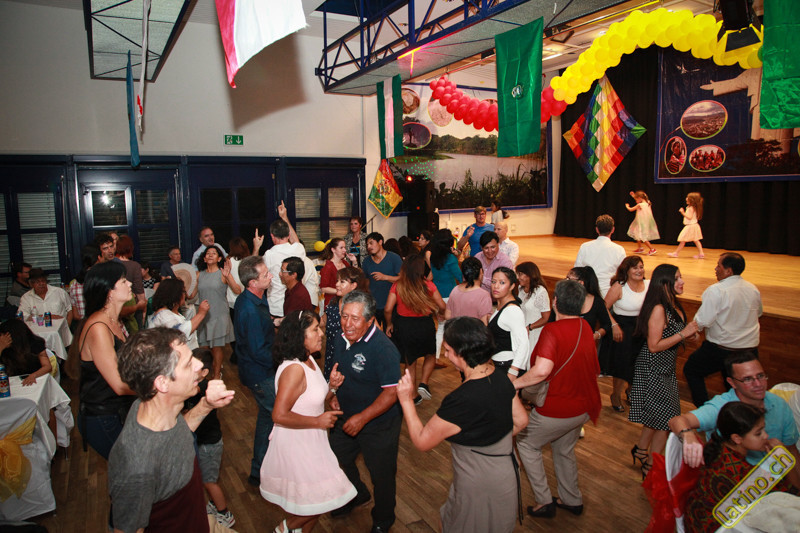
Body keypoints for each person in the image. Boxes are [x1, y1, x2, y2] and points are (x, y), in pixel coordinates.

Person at [396, 317, 528, 533]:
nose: (445, 355)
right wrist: (492, 436)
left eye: (448, 350)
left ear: (462, 353)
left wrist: (406, 400)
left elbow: (421, 441)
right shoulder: (501, 378)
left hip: (477, 480)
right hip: (505, 472)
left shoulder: (461, 399)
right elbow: (521, 421)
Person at [108, 328, 235, 533]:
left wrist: (206, 405)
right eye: (188, 364)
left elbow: (175, 436)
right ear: (162, 382)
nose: (199, 365)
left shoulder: (147, 407)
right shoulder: (136, 465)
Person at [260, 311, 356, 533]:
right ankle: (283, 529)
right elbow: (279, 415)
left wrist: (332, 388)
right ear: (299, 335)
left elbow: (312, 400)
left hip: (313, 440)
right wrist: (317, 421)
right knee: (321, 499)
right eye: (315, 329)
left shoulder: (309, 359)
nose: (321, 334)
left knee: (316, 501)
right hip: (298, 444)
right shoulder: (294, 369)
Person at [513, 279, 602, 518]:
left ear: (555, 302)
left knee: (526, 444)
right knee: (563, 449)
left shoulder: (552, 330)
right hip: (584, 407)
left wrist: (514, 384)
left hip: (558, 408)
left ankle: (544, 501)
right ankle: (572, 500)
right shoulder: (585, 326)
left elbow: (541, 371)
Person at [328, 291, 402, 533]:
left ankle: (383, 520)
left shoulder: (384, 349)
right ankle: (356, 493)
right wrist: (335, 394)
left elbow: (391, 393)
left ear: (370, 320)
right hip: (346, 416)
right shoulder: (340, 338)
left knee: (382, 475)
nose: (347, 324)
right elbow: (340, 371)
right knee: (335, 458)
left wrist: (362, 418)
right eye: (344, 316)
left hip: (379, 424)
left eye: (355, 318)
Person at [669, 351, 800, 470]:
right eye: (747, 379)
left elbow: (791, 450)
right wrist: (688, 435)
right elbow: (677, 421)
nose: (758, 384)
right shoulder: (721, 406)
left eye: (760, 376)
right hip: (733, 477)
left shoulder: (779, 404)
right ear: (731, 383)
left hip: (773, 476)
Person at [684, 402, 799, 532]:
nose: (766, 436)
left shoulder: (719, 447)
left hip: (697, 520)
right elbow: (793, 493)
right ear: (737, 438)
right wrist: (783, 457)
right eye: (758, 433)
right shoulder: (739, 472)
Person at [628, 264, 698, 479]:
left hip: (666, 368)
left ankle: (641, 450)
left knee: (657, 415)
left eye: (681, 277)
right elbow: (653, 346)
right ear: (665, 282)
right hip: (653, 368)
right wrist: (684, 334)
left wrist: (689, 335)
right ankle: (651, 466)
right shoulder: (659, 308)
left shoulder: (674, 305)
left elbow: (676, 335)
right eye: (677, 278)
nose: (682, 281)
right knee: (666, 419)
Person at [65, 261, 136, 460]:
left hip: (118, 411)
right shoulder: (98, 328)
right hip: (103, 417)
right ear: (109, 292)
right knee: (131, 470)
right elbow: (120, 385)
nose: (130, 283)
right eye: (123, 281)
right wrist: (158, 388)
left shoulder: (113, 321)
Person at [682, 252, 762, 407]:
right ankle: (739, 413)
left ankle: (706, 411)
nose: (715, 269)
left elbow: (703, 320)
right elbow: (758, 313)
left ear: (728, 271)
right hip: (750, 350)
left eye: (718, 265)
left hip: (722, 349)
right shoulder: (753, 289)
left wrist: (690, 332)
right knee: (733, 381)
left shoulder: (716, 290)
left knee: (692, 370)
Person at [234, 256, 276, 487]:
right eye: (265, 274)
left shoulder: (257, 298)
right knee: (277, 415)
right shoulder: (249, 309)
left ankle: (259, 470)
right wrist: (284, 358)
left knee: (267, 418)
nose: (271, 276)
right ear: (252, 282)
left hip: (261, 370)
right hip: (260, 374)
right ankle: (262, 470)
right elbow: (258, 350)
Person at [184, 347, 236, 528]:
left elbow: (194, 391)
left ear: (204, 372)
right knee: (205, 478)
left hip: (209, 445)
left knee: (209, 482)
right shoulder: (197, 385)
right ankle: (214, 504)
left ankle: (224, 513)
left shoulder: (204, 387)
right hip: (202, 442)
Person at [384, 254, 446, 404]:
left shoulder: (398, 285)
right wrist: (440, 313)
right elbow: (442, 305)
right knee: (430, 354)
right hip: (425, 324)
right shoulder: (428, 285)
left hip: (405, 326)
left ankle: (412, 395)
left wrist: (389, 324)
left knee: (410, 361)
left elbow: (388, 309)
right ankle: (424, 383)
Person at [604, 256, 649, 412]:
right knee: (622, 364)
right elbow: (603, 307)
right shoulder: (619, 286)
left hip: (642, 328)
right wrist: (614, 325)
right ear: (627, 270)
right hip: (623, 329)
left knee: (639, 363)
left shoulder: (648, 285)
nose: (639, 270)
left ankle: (631, 391)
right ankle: (615, 395)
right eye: (635, 267)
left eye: (641, 267)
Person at [196, 244, 240, 379]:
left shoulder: (223, 274)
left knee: (217, 347)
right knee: (204, 348)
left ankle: (216, 375)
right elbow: (191, 295)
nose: (210, 255)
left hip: (219, 314)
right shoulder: (199, 275)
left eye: (214, 253)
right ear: (204, 259)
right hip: (203, 315)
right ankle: (204, 374)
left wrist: (228, 276)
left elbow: (237, 290)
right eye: (208, 253)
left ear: (219, 258)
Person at [321, 266, 367, 379]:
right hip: (332, 353)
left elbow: (374, 330)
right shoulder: (333, 302)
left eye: (342, 282)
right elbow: (324, 321)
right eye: (337, 281)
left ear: (353, 285)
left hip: (351, 355)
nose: (337, 284)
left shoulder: (360, 307)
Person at [263, 201, 306, 319]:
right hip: (296, 303)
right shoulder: (298, 249)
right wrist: (284, 217)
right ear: (288, 235)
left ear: (272, 236)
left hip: (276, 305)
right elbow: (295, 240)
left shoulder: (269, 255)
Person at [487, 267, 529, 378]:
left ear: (512, 286)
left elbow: (523, 344)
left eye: (502, 283)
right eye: (493, 282)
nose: (496, 286)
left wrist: (513, 373)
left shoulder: (512, 310)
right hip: (499, 365)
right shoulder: (502, 306)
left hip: (507, 367)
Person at [148, 278, 210, 350]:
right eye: (183, 291)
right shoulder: (163, 315)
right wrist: (201, 314)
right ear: (175, 294)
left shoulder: (173, 313)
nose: (185, 294)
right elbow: (180, 333)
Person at [427, 229, 461, 360]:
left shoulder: (433, 257)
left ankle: (436, 356)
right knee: (454, 326)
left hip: (436, 295)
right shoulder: (450, 258)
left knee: (441, 327)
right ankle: (456, 354)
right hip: (450, 296)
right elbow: (459, 276)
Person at [574, 214, 626, 297]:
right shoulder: (619, 249)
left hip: (588, 292)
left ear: (597, 230)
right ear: (613, 230)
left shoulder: (585, 246)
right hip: (608, 292)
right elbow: (623, 274)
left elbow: (577, 270)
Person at [361, 232, 402, 328]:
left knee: (391, 333)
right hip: (374, 305)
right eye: (367, 245)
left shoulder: (394, 258)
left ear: (380, 242)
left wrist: (385, 277)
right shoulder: (366, 261)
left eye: (371, 243)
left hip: (392, 304)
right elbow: (366, 281)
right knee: (374, 334)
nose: (369, 247)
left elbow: (404, 279)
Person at [0, 319, 52, 385]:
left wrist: (34, 375)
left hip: (35, 379)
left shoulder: (35, 343)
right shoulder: (4, 348)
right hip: (11, 382)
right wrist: (1, 348)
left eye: (2, 335)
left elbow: (47, 366)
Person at [444, 257, 492, 324]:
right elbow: (484, 323)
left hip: (456, 329)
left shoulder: (455, 290)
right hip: (474, 330)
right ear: (481, 271)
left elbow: (447, 316)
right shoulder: (484, 295)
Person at [516, 262, 550, 352]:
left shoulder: (540, 292)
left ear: (530, 275)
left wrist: (530, 327)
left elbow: (546, 318)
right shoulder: (520, 288)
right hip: (523, 332)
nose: (518, 277)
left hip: (534, 333)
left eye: (520, 274)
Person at [115, 235, 147, 331]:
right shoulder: (134, 266)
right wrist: (143, 307)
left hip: (116, 306)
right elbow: (139, 290)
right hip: (132, 306)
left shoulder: (112, 264)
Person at [319, 237, 356, 307]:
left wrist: (354, 261)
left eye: (344, 247)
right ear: (333, 250)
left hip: (345, 300)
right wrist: (341, 291)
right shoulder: (328, 267)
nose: (344, 250)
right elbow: (323, 288)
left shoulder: (345, 263)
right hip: (333, 302)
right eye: (341, 248)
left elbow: (354, 276)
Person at [668, 192, 704, 258]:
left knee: (683, 240)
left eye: (688, 198)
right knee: (696, 240)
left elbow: (689, 217)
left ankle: (676, 253)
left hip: (690, 226)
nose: (686, 198)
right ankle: (701, 253)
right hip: (694, 225)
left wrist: (682, 212)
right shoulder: (693, 207)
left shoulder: (691, 208)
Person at [625, 190, 659, 256]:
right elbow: (641, 198)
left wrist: (627, 206)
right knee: (637, 234)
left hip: (642, 223)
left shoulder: (640, 205)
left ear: (640, 198)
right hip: (643, 222)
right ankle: (640, 248)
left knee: (642, 237)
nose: (635, 201)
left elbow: (630, 209)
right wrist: (633, 196)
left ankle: (652, 249)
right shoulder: (648, 203)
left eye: (636, 199)